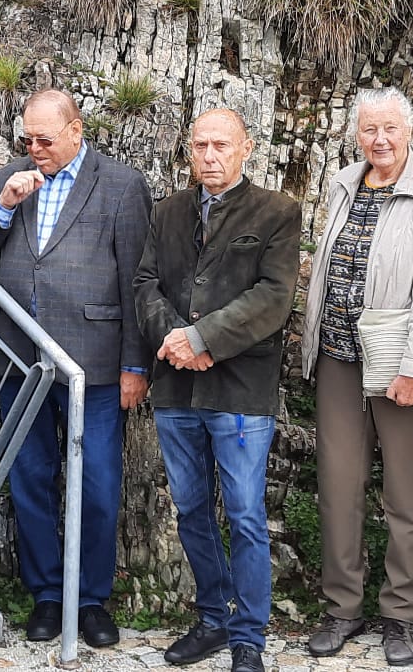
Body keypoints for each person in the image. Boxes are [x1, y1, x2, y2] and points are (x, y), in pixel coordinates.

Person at [0, 89, 149, 647]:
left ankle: (90, 599)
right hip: (23, 361)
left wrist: (134, 365)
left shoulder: (121, 184)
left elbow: (137, 281)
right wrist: (2, 208)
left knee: (96, 483)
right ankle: (46, 593)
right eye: (28, 140)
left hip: (92, 363)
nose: (36, 149)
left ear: (76, 130)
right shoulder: (11, 177)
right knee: (29, 479)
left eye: (45, 139)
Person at [296, 88, 413, 664]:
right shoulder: (344, 183)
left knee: (407, 493)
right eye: (369, 129)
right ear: (356, 134)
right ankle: (342, 608)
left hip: (402, 364)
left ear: (409, 131)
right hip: (341, 359)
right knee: (338, 488)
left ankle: (400, 615)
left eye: (390, 128)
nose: (380, 140)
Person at [133, 109, 300, 672]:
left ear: (245, 148)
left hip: (240, 389)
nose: (209, 155)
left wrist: (204, 336)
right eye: (200, 144)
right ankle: (212, 618)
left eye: (221, 144)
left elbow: (274, 297)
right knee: (191, 509)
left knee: (247, 514)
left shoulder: (277, 212)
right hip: (176, 389)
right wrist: (176, 340)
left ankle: (249, 634)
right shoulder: (168, 212)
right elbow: (145, 284)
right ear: (189, 150)